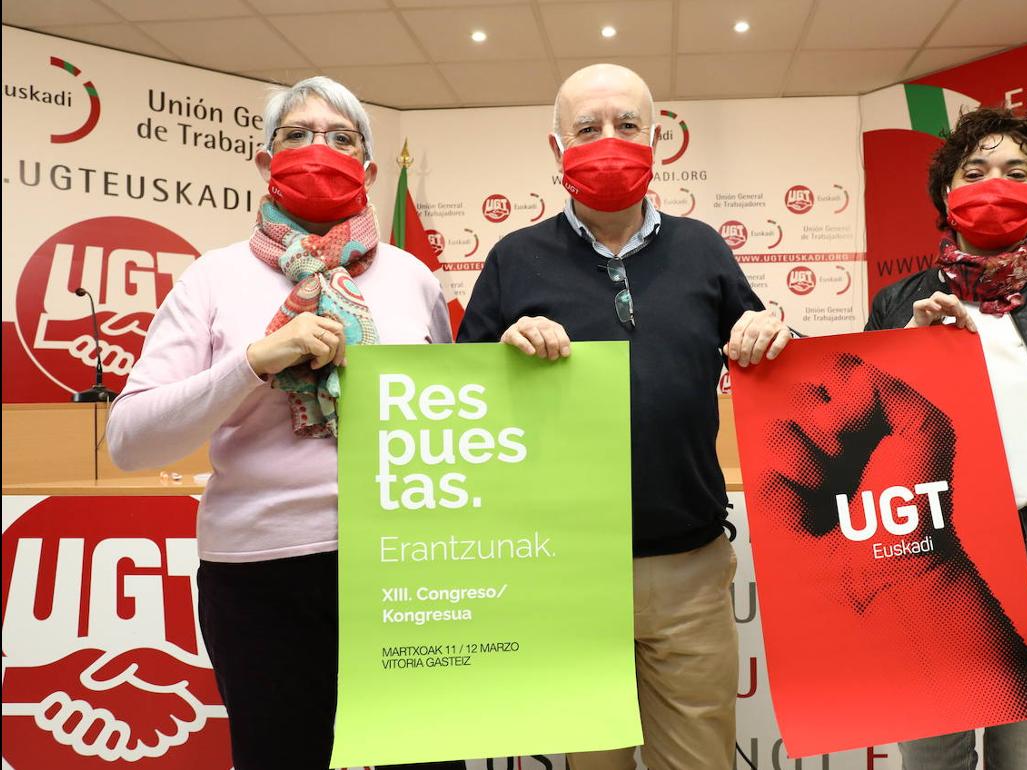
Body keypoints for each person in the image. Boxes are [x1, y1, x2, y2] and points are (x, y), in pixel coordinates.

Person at [107, 76, 465, 770]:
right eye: (295, 136)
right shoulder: (212, 279)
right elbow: (129, 441)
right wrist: (254, 362)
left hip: (407, 571)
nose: (316, 149)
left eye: (339, 138)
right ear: (265, 162)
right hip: (261, 577)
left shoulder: (414, 279)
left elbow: (449, 423)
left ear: (365, 168)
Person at [457, 63, 790, 770]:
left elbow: (764, 355)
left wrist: (772, 329)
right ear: (557, 150)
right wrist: (502, 358)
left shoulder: (702, 247)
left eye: (627, 125)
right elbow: (460, 408)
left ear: (657, 139)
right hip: (566, 568)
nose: (609, 141)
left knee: (700, 762)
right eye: (587, 128)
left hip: (690, 570)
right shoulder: (514, 260)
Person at [865, 106, 1027, 769]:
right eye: (975, 169)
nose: (995, 184)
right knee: (931, 759)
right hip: (930, 558)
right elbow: (866, 441)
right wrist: (911, 351)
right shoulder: (898, 303)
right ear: (947, 193)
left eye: (1016, 171)